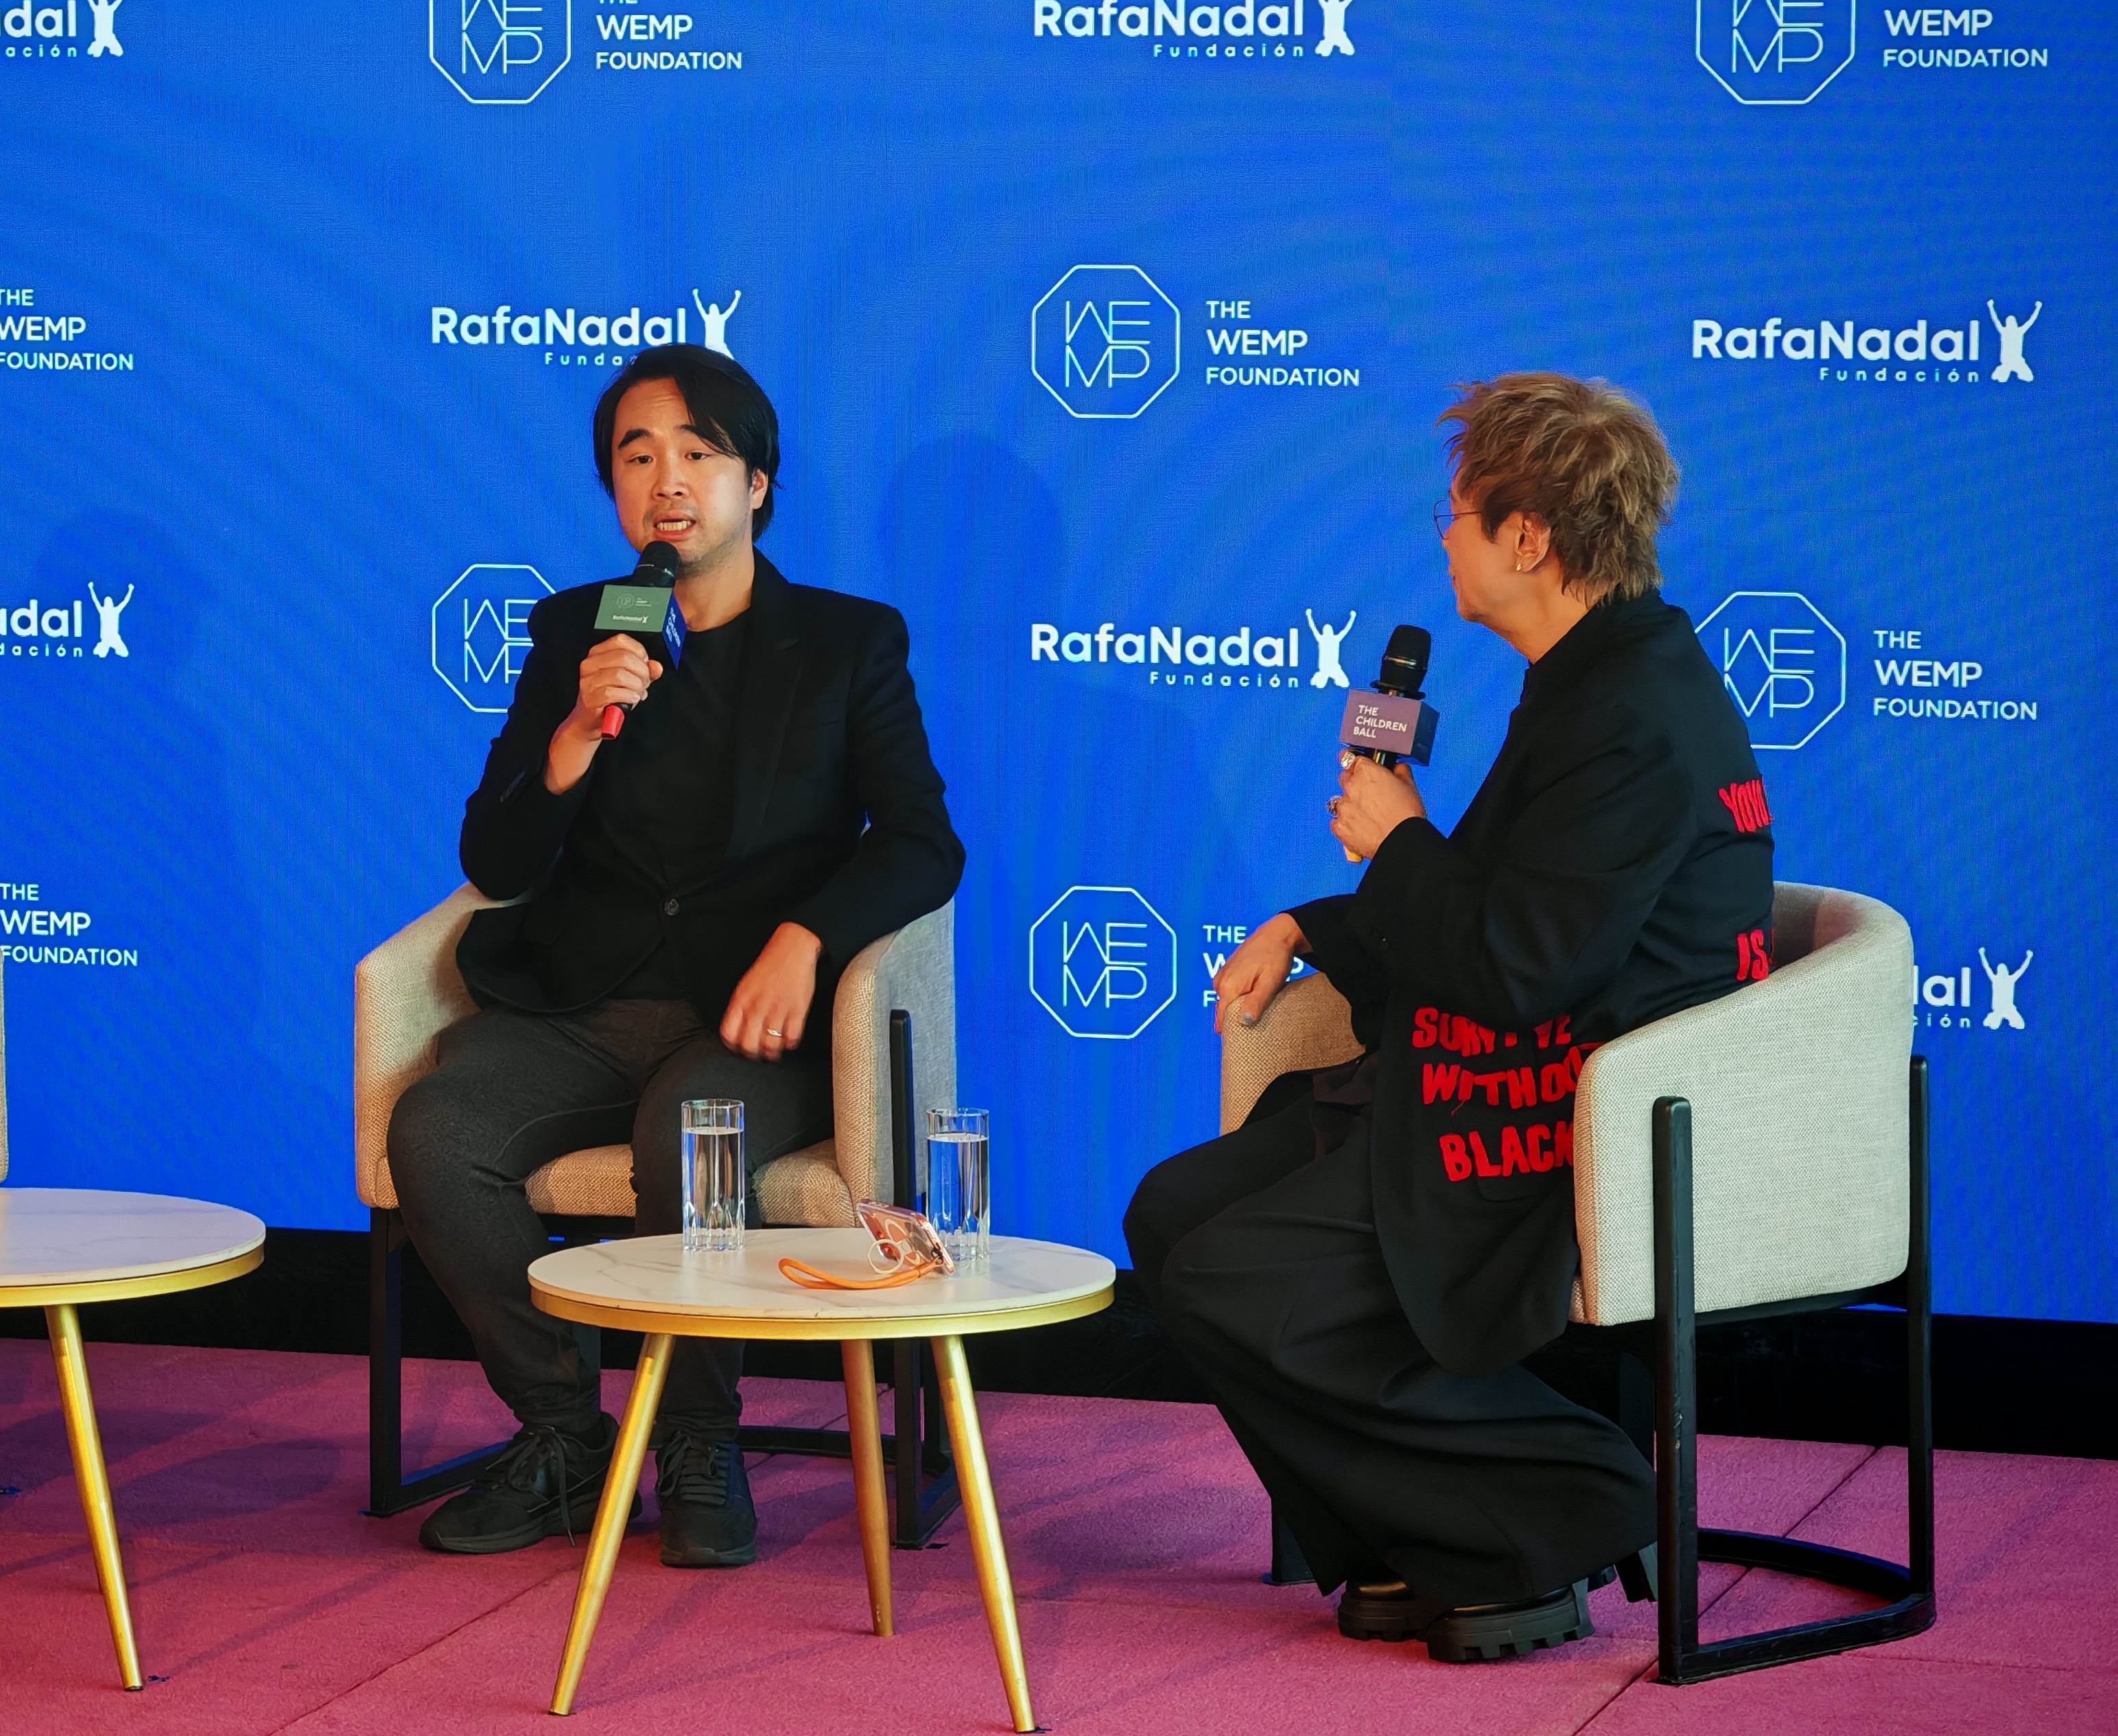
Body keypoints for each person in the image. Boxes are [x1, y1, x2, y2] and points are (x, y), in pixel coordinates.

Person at [1124, 373, 1774, 1663]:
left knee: (1226, 1275)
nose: (1442, 537)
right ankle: (1409, 1540)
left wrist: (1401, 838)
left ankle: (1565, 1510)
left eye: (1457, 513)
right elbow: (1506, 902)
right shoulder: (1587, 679)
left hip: (1551, 1118)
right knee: (1172, 1215)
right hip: (1476, 1075)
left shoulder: (1634, 709)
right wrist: (1311, 921)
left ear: (1526, 536)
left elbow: (1523, 961)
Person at [388, 345, 963, 1565]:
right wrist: (570, 738)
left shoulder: (846, 642)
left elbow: (924, 840)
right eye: (638, 456)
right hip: (580, 1004)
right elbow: (494, 855)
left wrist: (808, 939)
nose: (668, 481)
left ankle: (698, 1438)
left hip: (750, 1023)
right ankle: (565, 1436)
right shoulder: (577, 630)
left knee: (689, 1133)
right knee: (437, 1130)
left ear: (756, 484)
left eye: (699, 453)